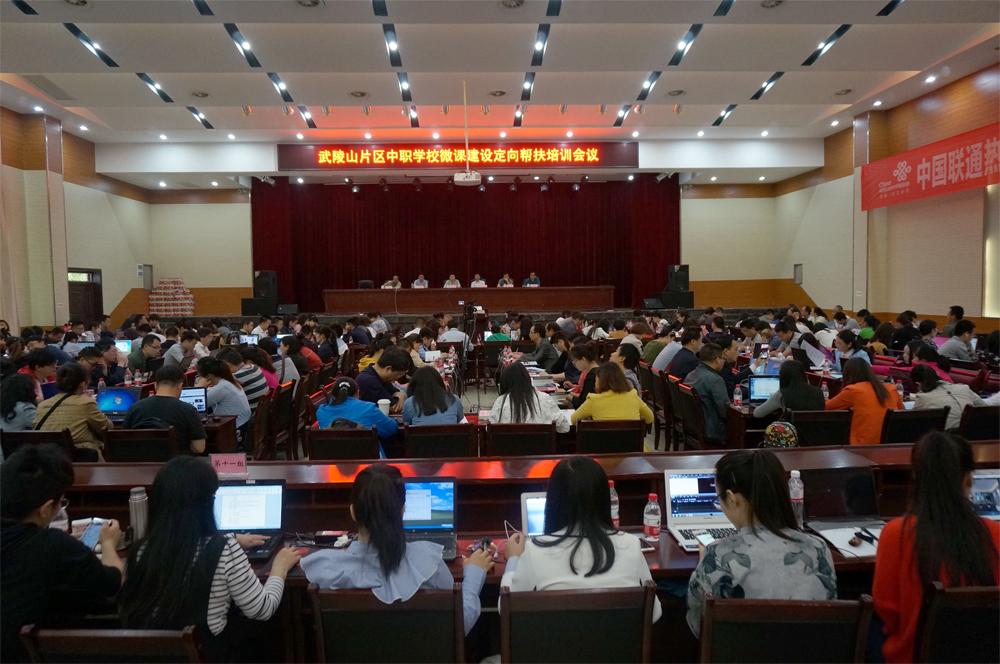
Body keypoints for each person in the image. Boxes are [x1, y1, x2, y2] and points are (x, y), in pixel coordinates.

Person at [118, 457, 301, 659]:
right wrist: (279, 569)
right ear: (206, 505)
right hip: (207, 654)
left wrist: (231, 537)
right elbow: (262, 609)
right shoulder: (224, 550)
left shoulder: (141, 551)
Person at [302, 465, 491, 635]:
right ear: (402, 510)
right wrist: (474, 573)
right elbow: (460, 623)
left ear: (353, 512)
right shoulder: (429, 565)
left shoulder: (323, 569)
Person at [873, 432, 999, 663]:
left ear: (915, 477)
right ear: (968, 479)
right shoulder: (994, 534)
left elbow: (886, 612)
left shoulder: (894, 534)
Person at [686, 449, 836, 636]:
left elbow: (698, 625)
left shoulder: (718, 556)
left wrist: (706, 561)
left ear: (732, 499)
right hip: (809, 649)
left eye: (719, 498)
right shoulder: (818, 549)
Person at [2, 445, 125, 662]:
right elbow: (113, 583)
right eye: (61, 502)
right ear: (46, 509)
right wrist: (108, 543)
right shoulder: (52, 545)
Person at [501, 457, 661, 622]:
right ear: (604, 499)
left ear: (554, 502)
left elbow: (505, 608)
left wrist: (513, 559)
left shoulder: (535, 551)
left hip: (557, 639)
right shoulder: (631, 545)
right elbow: (654, 613)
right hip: (619, 639)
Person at [34, 362, 111, 459]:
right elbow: (107, 428)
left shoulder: (42, 405)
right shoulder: (85, 403)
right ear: (82, 384)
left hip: (46, 457)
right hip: (79, 458)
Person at [123, 367, 207, 454]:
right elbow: (199, 448)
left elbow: (124, 440)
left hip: (140, 460)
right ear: (180, 386)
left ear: (155, 385)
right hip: (177, 461)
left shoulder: (134, 408)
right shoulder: (188, 410)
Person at [825, 357, 903, 445]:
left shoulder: (853, 390)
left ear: (847, 375)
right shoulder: (892, 389)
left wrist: (825, 398)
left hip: (862, 446)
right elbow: (902, 411)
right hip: (891, 445)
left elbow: (826, 407)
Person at [316, 377, 398, 455]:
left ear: (333, 394)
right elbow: (391, 429)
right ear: (357, 393)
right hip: (369, 460)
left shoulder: (321, 412)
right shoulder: (368, 408)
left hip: (331, 460)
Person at [488, 362, 569, 432]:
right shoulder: (545, 399)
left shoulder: (500, 401)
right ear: (528, 379)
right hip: (541, 445)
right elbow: (564, 428)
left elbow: (489, 429)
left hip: (509, 445)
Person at [571, 363, 653, 425]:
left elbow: (573, 420)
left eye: (596, 380)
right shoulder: (633, 396)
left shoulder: (593, 400)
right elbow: (650, 418)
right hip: (632, 443)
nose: (595, 383)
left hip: (602, 443)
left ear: (601, 382)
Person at [909, 365, 984, 431]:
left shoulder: (922, 398)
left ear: (918, 384)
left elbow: (913, 422)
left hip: (947, 438)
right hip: (977, 432)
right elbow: (984, 406)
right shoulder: (964, 388)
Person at [683, 344, 731, 443]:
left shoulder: (691, 374)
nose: (724, 362)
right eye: (723, 359)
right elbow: (725, 410)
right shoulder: (715, 379)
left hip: (691, 424)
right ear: (717, 359)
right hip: (711, 430)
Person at [752, 360, 825, 418]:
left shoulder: (781, 394)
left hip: (791, 432)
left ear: (783, 377)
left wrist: (772, 397)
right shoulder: (819, 392)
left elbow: (757, 413)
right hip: (817, 432)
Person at [195, 357, 251, 430]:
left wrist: (199, 387)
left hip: (236, 427)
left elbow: (196, 407)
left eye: (199, 376)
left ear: (208, 376)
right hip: (243, 422)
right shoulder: (227, 381)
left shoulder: (221, 388)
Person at [356, 347, 410, 413]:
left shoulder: (381, 376)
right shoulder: (368, 380)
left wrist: (401, 395)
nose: (398, 378)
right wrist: (400, 396)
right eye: (399, 374)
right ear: (388, 369)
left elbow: (397, 393)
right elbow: (393, 407)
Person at [217, 348, 268, 414]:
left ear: (227, 364)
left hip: (250, 413)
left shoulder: (235, 376)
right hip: (261, 410)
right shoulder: (254, 367)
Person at [568, 343, 599, 408]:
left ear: (583, 359)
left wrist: (568, 397)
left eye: (575, 361)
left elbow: (583, 403)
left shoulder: (591, 376)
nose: (574, 364)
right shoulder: (599, 370)